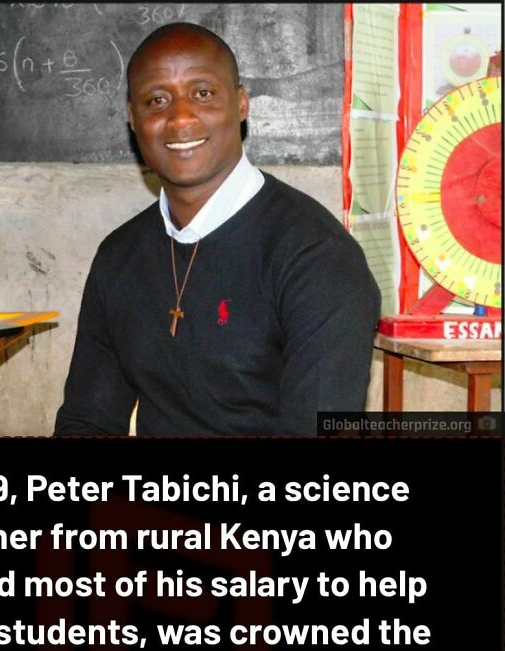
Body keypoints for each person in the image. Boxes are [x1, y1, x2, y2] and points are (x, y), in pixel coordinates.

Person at [55, 22, 380, 436]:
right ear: (132, 119)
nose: (180, 118)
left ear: (241, 104)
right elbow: (87, 421)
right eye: (156, 100)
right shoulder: (120, 256)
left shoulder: (318, 258)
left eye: (203, 94)